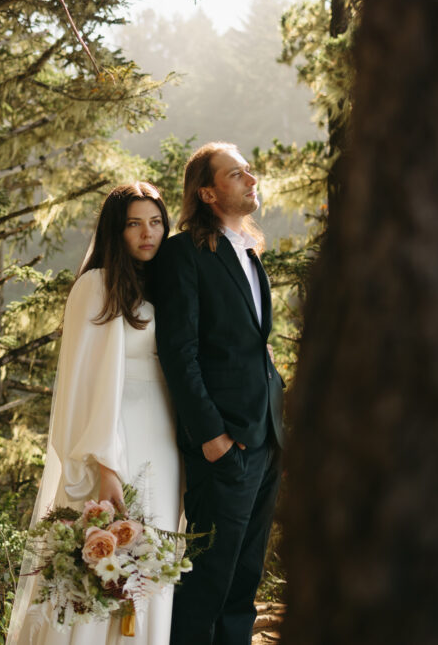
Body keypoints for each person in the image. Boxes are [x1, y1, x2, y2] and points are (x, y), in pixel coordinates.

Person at [7, 182, 182, 645]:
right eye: (134, 224)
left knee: (151, 566)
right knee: (102, 563)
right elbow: (85, 385)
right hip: (116, 439)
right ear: (115, 230)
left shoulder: (167, 285)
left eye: (156, 221)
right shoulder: (95, 285)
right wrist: (107, 465)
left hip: (165, 442)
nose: (148, 233)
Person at [151, 142, 285, 645]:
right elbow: (178, 351)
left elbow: (251, 347)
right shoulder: (184, 253)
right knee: (207, 581)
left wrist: (277, 424)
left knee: (244, 582)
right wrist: (212, 436)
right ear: (207, 192)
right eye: (236, 174)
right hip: (224, 444)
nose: (251, 178)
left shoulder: (250, 252)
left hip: (265, 438)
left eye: (249, 169)